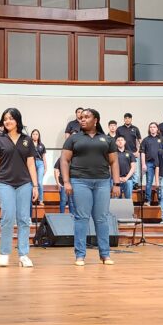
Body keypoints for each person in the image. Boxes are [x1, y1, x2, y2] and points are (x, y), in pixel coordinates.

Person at [60, 108, 119, 266]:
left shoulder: (107, 139)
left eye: (87, 117)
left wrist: (117, 183)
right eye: (81, 117)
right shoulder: (74, 138)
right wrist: (66, 181)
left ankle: (105, 255)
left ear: (96, 120)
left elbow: (114, 162)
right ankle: (80, 255)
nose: (82, 119)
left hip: (103, 182)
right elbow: (64, 160)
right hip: (80, 181)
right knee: (82, 218)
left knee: (101, 218)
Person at [0, 108, 38, 268]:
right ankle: (4, 253)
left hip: (24, 183)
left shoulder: (27, 140)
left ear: (17, 120)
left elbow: (31, 164)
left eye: (10, 118)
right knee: (8, 217)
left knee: (24, 219)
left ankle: (23, 255)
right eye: (5, 119)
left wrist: (35, 185)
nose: (7, 121)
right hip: (4, 183)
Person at [115, 113, 142, 184]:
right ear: (124, 119)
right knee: (123, 169)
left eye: (129, 118)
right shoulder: (119, 129)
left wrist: (138, 151)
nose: (127, 119)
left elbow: (139, 141)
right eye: (126, 118)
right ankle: (122, 182)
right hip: (122, 153)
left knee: (135, 171)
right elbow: (116, 140)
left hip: (133, 152)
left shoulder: (135, 129)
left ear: (131, 119)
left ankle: (135, 184)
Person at [140, 122, 163, 206]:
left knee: (160, 183)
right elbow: (142, 153)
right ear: (149, 129)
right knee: (149, 182)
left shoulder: (161, 139)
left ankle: (161, 201)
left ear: (157, 129)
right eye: (151, 127)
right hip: (149, 163)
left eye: (154, 127)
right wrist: (143, 164)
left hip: (160, 165)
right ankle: (147, 200)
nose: (152, 128)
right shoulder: (146, 140)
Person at [30, 129, 47, 204]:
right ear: (31, 135)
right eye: (33, 134)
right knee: (32, 182)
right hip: (32, 163)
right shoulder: (29, 144)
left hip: (40, 163)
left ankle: (41, 200)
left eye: (37, 134)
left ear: (39, 136)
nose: (35, 135)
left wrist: (45, 167)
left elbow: (44, 157)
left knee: (39, 182)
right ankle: (31, 198)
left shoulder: (41, 145)